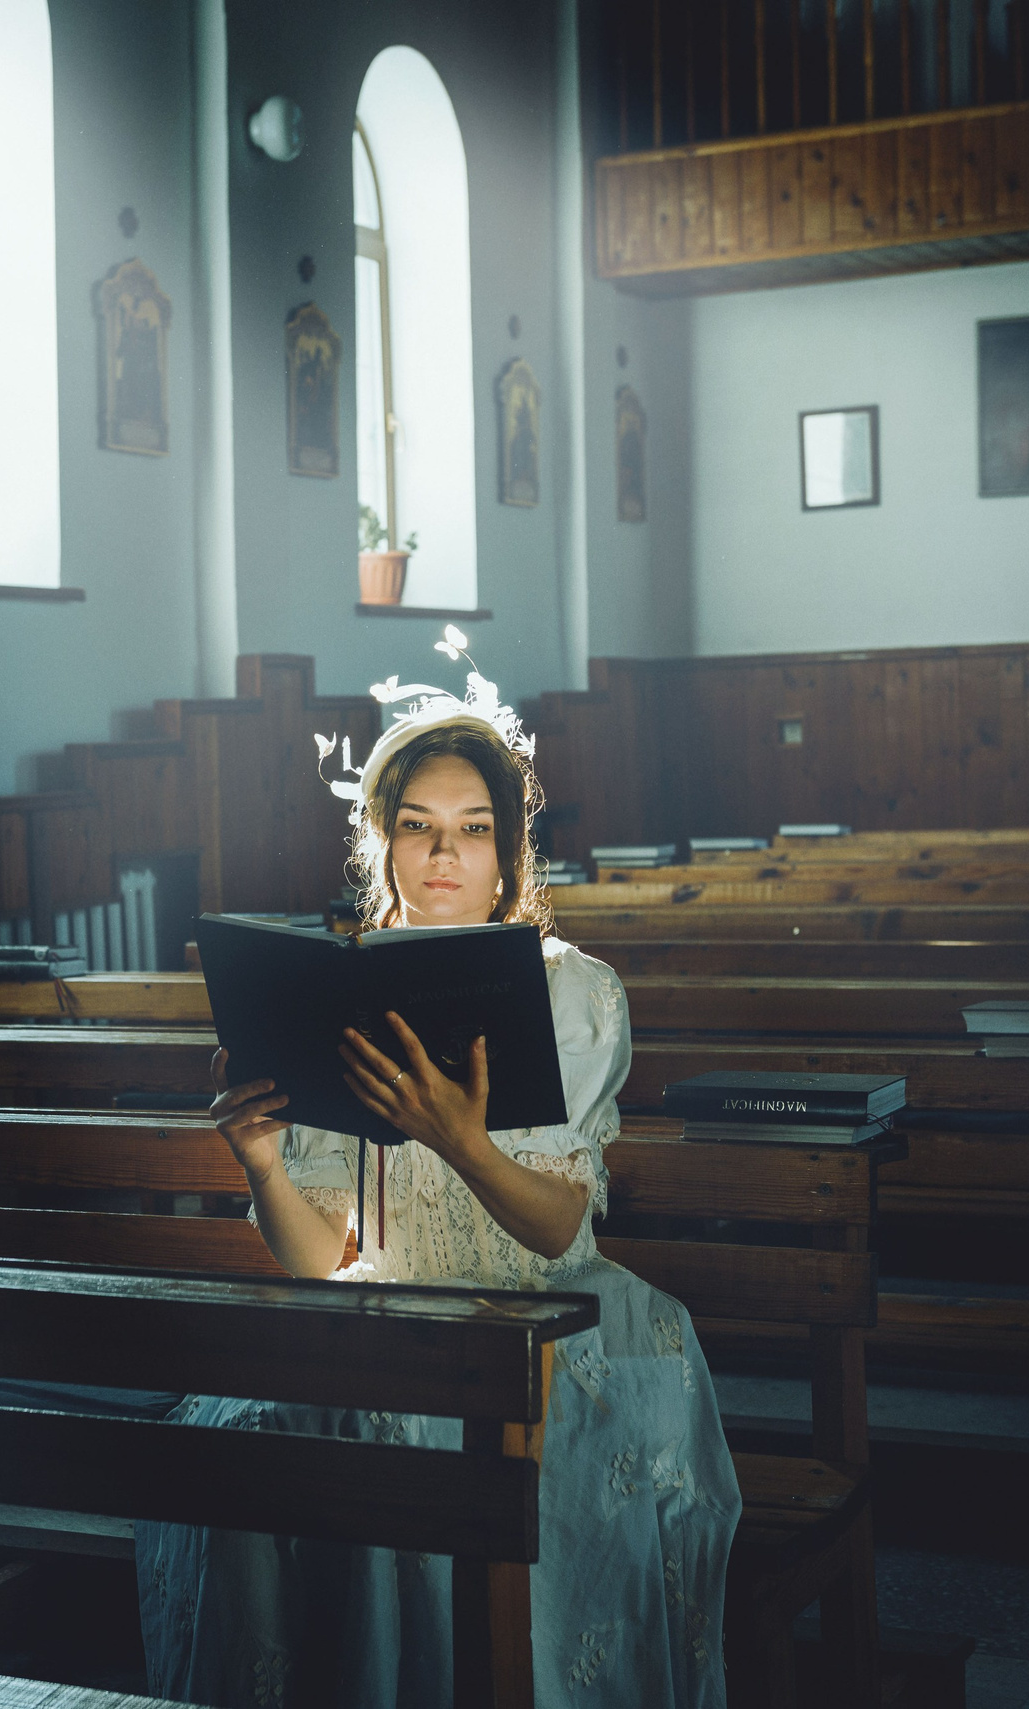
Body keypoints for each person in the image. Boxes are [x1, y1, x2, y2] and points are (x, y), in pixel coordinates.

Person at [136, 666, 742, 1707]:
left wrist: (462, 1141)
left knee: (418, 1428)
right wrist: (263, 1163)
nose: (444, 852)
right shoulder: (336, 990)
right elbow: (316, 1258)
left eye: (472, 828)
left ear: (508, 850)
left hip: (548, 1316)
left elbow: (557, 1231)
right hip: (388, 1304)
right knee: (248, 1429)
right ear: (383, 842)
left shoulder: (574, 992)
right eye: (417, 826)